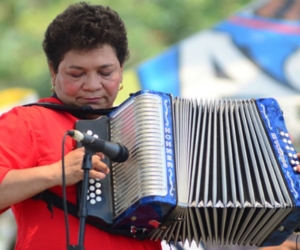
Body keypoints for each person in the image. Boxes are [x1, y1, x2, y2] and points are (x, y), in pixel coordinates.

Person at [0, 2, 162, 250]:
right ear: (53, 72)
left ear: (121, 70)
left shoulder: (148, 127)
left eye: (105, 72)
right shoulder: (27, 121)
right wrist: (55, 173)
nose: (92, 85)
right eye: (77, 74)